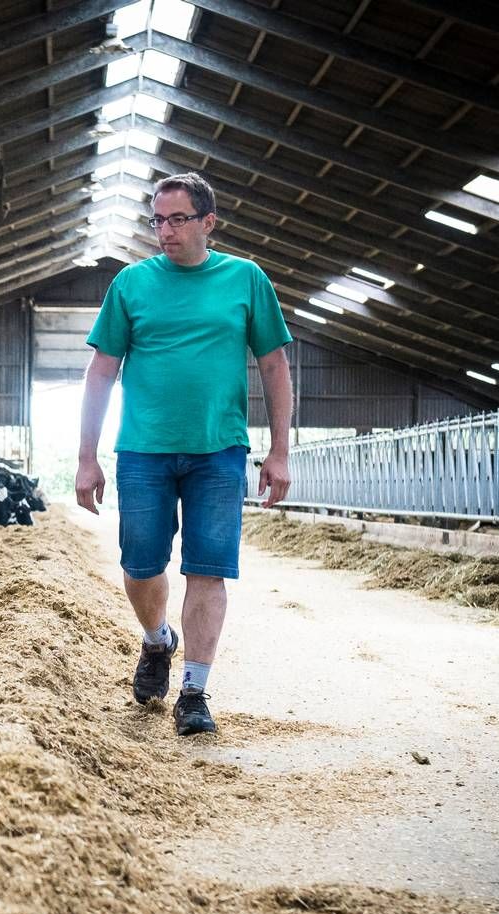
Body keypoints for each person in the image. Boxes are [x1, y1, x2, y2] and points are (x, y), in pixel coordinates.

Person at [74, 171, 293, 736]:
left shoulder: (245, 279)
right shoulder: (131, 284)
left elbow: (274, 366)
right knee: (140, 564)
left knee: (208, 570)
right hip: (143, 450)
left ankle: (194, 690)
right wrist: (86, 456)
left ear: (208, 223)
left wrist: (279, 451)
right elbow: (102, 372)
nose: (164, 230)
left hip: (219, 452)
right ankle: (156, 641)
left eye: (177, 219)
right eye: (157, 219)